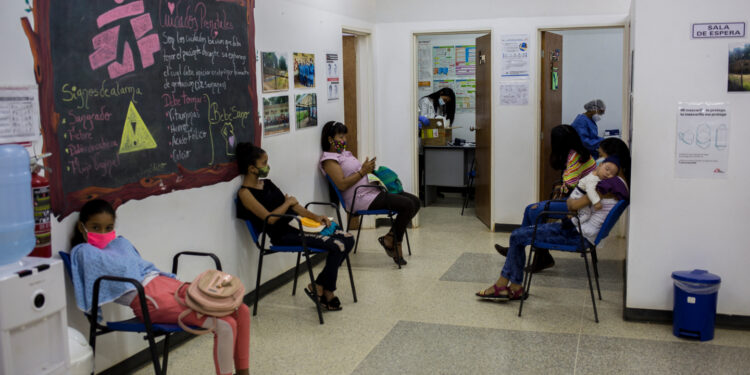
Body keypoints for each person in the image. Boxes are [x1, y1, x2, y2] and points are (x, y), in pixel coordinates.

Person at [68, 199, 250, 375]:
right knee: (226, 323)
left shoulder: (120, 243)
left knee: (241, 310)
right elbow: (117, 271)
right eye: (95, 227)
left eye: (109, 228)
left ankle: (244, 372)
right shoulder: (84, 252)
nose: (103, 232)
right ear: (81, 227)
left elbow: (139, 265)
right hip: (148, 299)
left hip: (166, 284)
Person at [477, 144, 631, 301]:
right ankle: (513, 287)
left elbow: (572, 205)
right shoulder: (620, 184)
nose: (598, 163)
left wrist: (574, 203)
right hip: (582, 231)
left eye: (603, 160)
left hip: (577, 235)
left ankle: (504, 286)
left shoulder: (605, 185)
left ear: (613, 163)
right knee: (521, 234)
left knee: (517, 236)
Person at [235, 142, 354, 311]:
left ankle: (319, 285)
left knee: (348, 239)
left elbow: (294, 206)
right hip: (280, 235)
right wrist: (288, 202)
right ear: (252, 168)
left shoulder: (267, 183)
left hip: (295, 226)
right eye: (264, 163)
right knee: (337, 245)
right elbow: (269, 219)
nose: (267, 167)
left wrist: (316, 217)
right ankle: (328, 292)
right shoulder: (245, 193)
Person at [494, 125, 596, 272]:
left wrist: (560, 188)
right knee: (530, 209)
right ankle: (538, 255)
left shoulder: (576, 156)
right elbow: (567, 185)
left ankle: (537, 256)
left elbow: (569, 186)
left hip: (580, 204)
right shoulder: (574, 153)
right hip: (576, 199)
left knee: (535, 211)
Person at [319, 121, 420, 266]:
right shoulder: (329, 160)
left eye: (344, 137)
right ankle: (395, 243)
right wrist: (362, 171)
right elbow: (341, 184)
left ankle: (391, 237)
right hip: (360, 198)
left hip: (373, 191)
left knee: (415, 202)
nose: (344, 141)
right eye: (340, 138)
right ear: (330, 139)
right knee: (407, 205)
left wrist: (370, 170)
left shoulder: (345, 154)